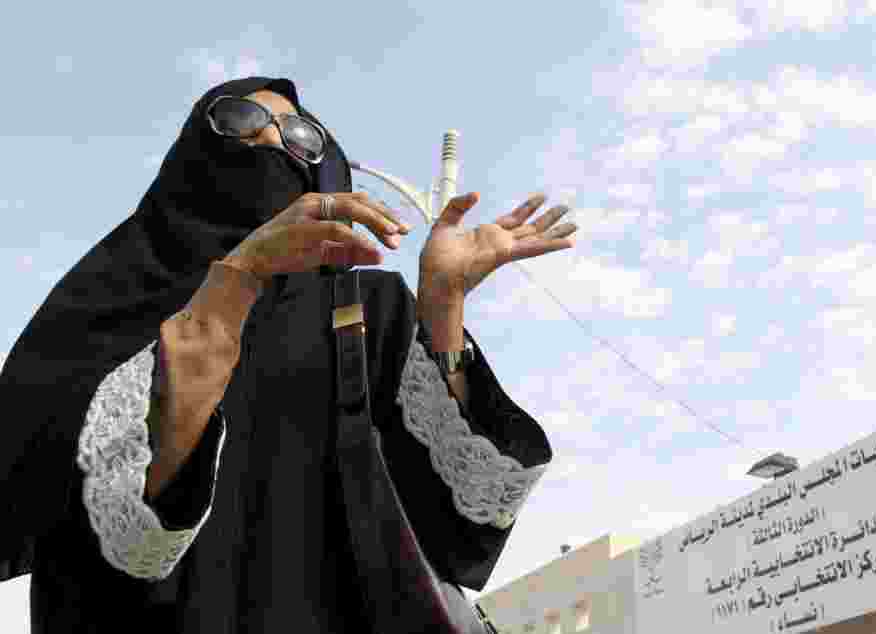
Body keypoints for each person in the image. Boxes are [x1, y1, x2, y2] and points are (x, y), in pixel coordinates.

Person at [0, 77, 577, 633]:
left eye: (301, 135)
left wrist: (443, 305)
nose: (273, 140)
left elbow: (469, 508)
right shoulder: (110, 304)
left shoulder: (365, 305)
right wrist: (238, 277)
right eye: (242, 119)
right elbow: (105, 522)